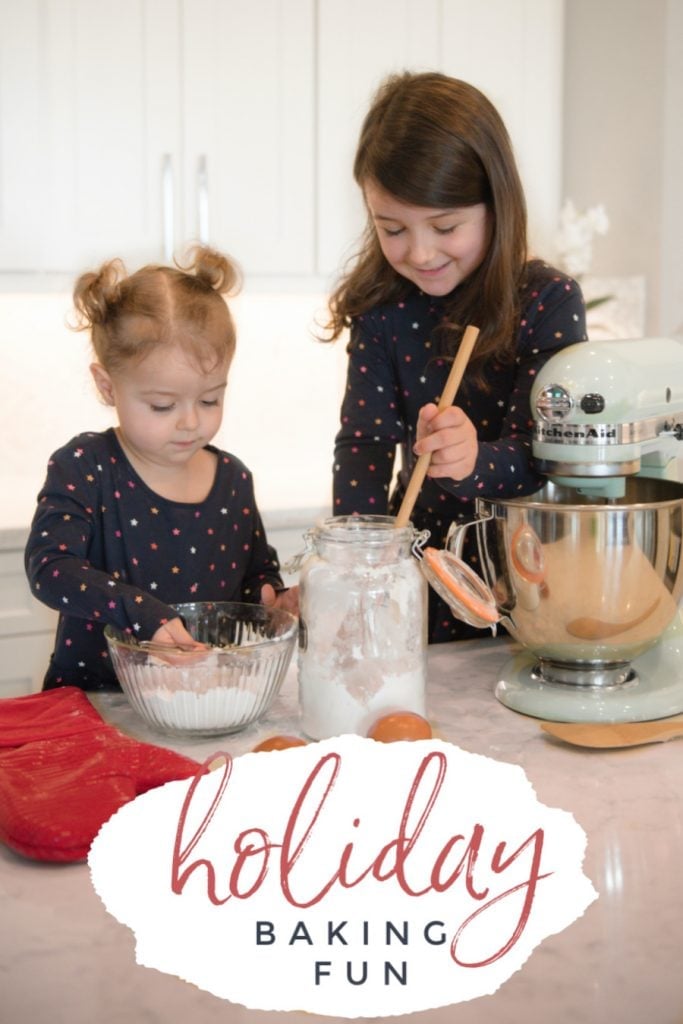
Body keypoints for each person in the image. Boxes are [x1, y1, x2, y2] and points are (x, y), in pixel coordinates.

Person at [325, 71, 587, 643]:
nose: (419, 252)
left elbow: (546, 463)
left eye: (445, 226)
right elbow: (365, 446)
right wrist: (360, 557)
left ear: (497, 203)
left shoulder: (547, 302)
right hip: (414, 581)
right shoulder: (382, 311)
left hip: (524, 583)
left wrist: (473, 462)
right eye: (391, 228)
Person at [25, 246, 297, 691]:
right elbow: (49, 568)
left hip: (207, 701)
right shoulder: (85, 467)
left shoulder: (233, 479)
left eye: (210, 399)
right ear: (107, 386)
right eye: (163, 405)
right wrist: (139, 611)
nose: (191, 421)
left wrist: (274, 600)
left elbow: (253, 579)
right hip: (96, 705)